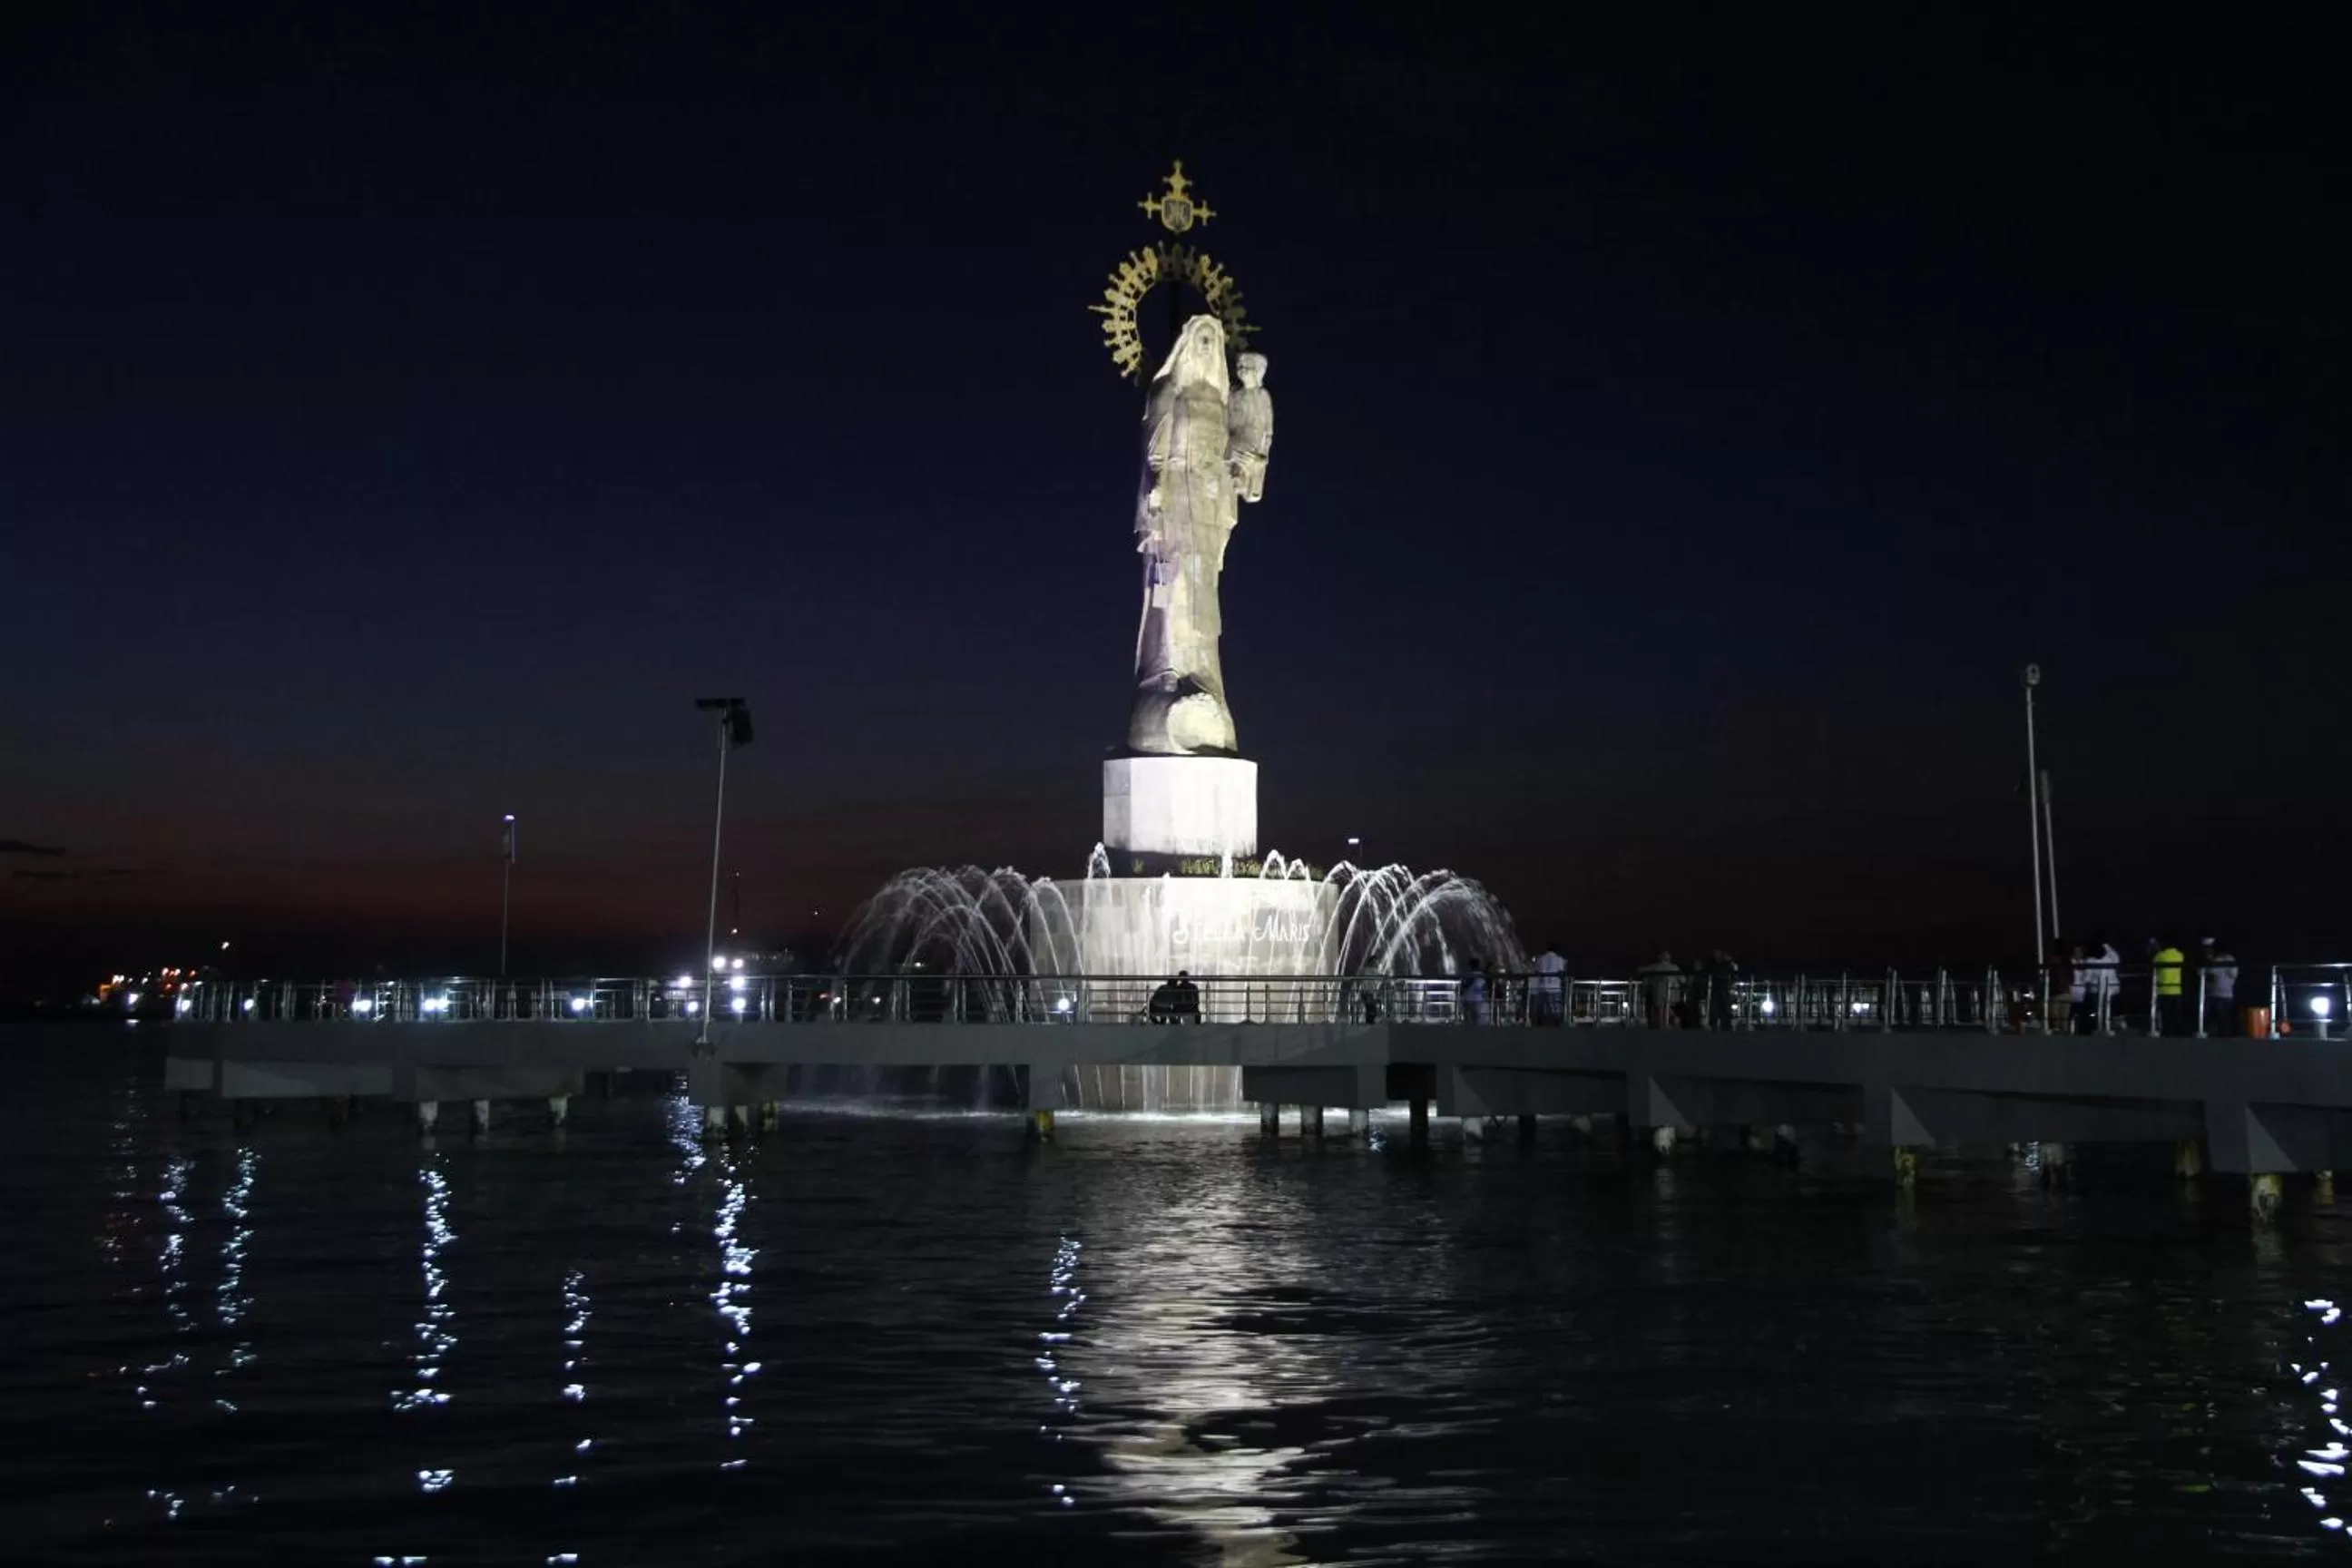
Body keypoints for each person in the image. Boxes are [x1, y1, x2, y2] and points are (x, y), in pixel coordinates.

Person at [2082, 931, 2122, 1034]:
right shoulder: (2105, 959)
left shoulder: (2105, 959)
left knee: (2105, 1010)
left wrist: (2103, 943)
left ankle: (2105, 1027)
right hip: (2102, 991)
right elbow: (2087, 978)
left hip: (2107, 991)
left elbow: (2086, 979)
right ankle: (2102, 1027)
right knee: (2101, 1011)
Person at [2201, 937, 2239, 1037]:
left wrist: (2209, 960)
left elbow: (2207, 973)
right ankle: (2225, 1038)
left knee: (2217, 1020)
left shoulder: (2216, 961)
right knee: (2224, 1020)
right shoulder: (2231, 960)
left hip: (2216, 994)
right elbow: (2234, 974)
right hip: (2228, 994)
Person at [2151, 936, 2187, 1035]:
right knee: (2177, 1013)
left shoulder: (2160, 956)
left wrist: (2156, 949)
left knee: (2165, 1013)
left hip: (2163, 989)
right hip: (2176, 989)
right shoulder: (2179, 955)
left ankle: (2167, 1031)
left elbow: (2154, 962)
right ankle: (2179, 1032)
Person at [1637, 951, 1681, 1028]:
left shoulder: (1656, 967)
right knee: (1668, 1006)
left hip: (1659, 992)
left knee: (1661, 1007)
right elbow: (1683, 979)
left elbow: (1641, 970)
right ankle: (1670, 1021)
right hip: (1672, 993)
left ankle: (1662, 1024)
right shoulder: (1675, 967)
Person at [1529, 941, 1567, 1025]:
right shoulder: (1559, 960)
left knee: (1541, 1009)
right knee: (1556, 1010)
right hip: (1555, 988)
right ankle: (1556, 1024)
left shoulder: (1541, 959)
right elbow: (1562, 972)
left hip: (1542, 987)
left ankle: (1540, 1024)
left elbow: (1536, 972)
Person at [2043, 937, 2074, 1034]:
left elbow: (2050, 975)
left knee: (2055, 1021)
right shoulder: (2069, 962)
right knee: (2064, 1021)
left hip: (2056, 993)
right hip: (2066, 993)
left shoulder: (2054, 961)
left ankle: (2058, 1037)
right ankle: (2065, 1039)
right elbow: (2072, 979)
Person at [1704, 949, 1739, 1030]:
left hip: (1724, 988)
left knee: (1725, 1007)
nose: (1717, 955)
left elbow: (1733, 975)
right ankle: (1714, 1024)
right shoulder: (1712, 964)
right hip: (1716, 988)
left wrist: (1730, 983)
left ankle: (1725, 1025)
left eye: (1718, 953)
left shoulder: (1725, 964)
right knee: (1715, 1007)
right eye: (1715, 953)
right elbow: (1706, 973)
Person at [1459, 960, 1490, 1024]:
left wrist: (1462, 999)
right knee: (1479, 1021)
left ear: (1470, 966)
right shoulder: (1482, 976)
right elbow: (1485, 990)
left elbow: (1462, 989)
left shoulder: (1466, 975)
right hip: (1479, 1001)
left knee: (1469, 1021)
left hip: (1468, 1000)